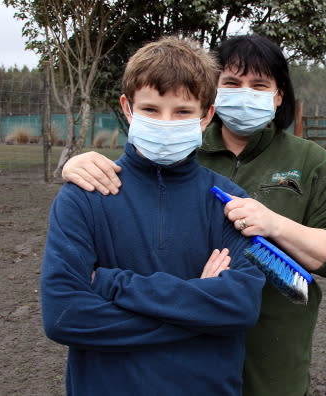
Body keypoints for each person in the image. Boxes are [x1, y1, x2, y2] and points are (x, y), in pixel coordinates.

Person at [61, 34, 326, 396]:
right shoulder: (179, 151)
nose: (245, 93)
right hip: (188, 363)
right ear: (213, 96)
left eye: (259, 85)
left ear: (278, 95)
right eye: (232, 83)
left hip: (272, 352)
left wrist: (275, 224)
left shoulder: (308, 161)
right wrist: (78, 163)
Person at [41, 37, 266, 396]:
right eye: (150, 110)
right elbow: (64, 316)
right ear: (127, 109)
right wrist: (202, 306)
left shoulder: (232, 203)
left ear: (206, 115)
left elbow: (240, 307)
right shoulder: (83, 196)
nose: (165, 123)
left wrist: (112, 284)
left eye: (182, 112)